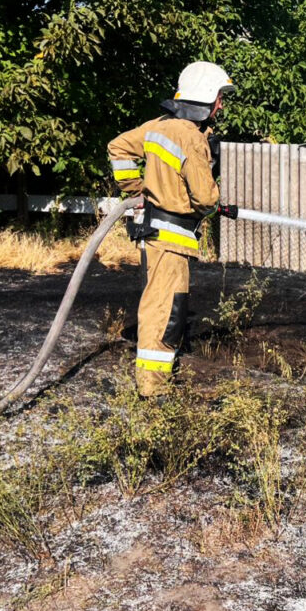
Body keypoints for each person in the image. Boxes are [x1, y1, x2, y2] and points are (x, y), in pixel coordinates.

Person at [107, 61, 235, 397]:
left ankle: (154, 383)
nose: (221, 105)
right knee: (165, 312)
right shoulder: (190, 138)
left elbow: (118, 147)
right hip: (171, 240)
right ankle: (153, 390)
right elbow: (205, 198)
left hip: (155, 236)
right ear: (206, 96)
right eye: (219, 98)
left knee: (160, 305)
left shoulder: (159, 126)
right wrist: (213, 195)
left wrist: (135, 188)